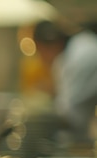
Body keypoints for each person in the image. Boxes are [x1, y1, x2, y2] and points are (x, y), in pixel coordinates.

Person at [33, 19, 97, 148]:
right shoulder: (71, 53)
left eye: (39, 51)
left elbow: (70, 114)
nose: (41, 58)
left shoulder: (82, 55)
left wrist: (35, 116)